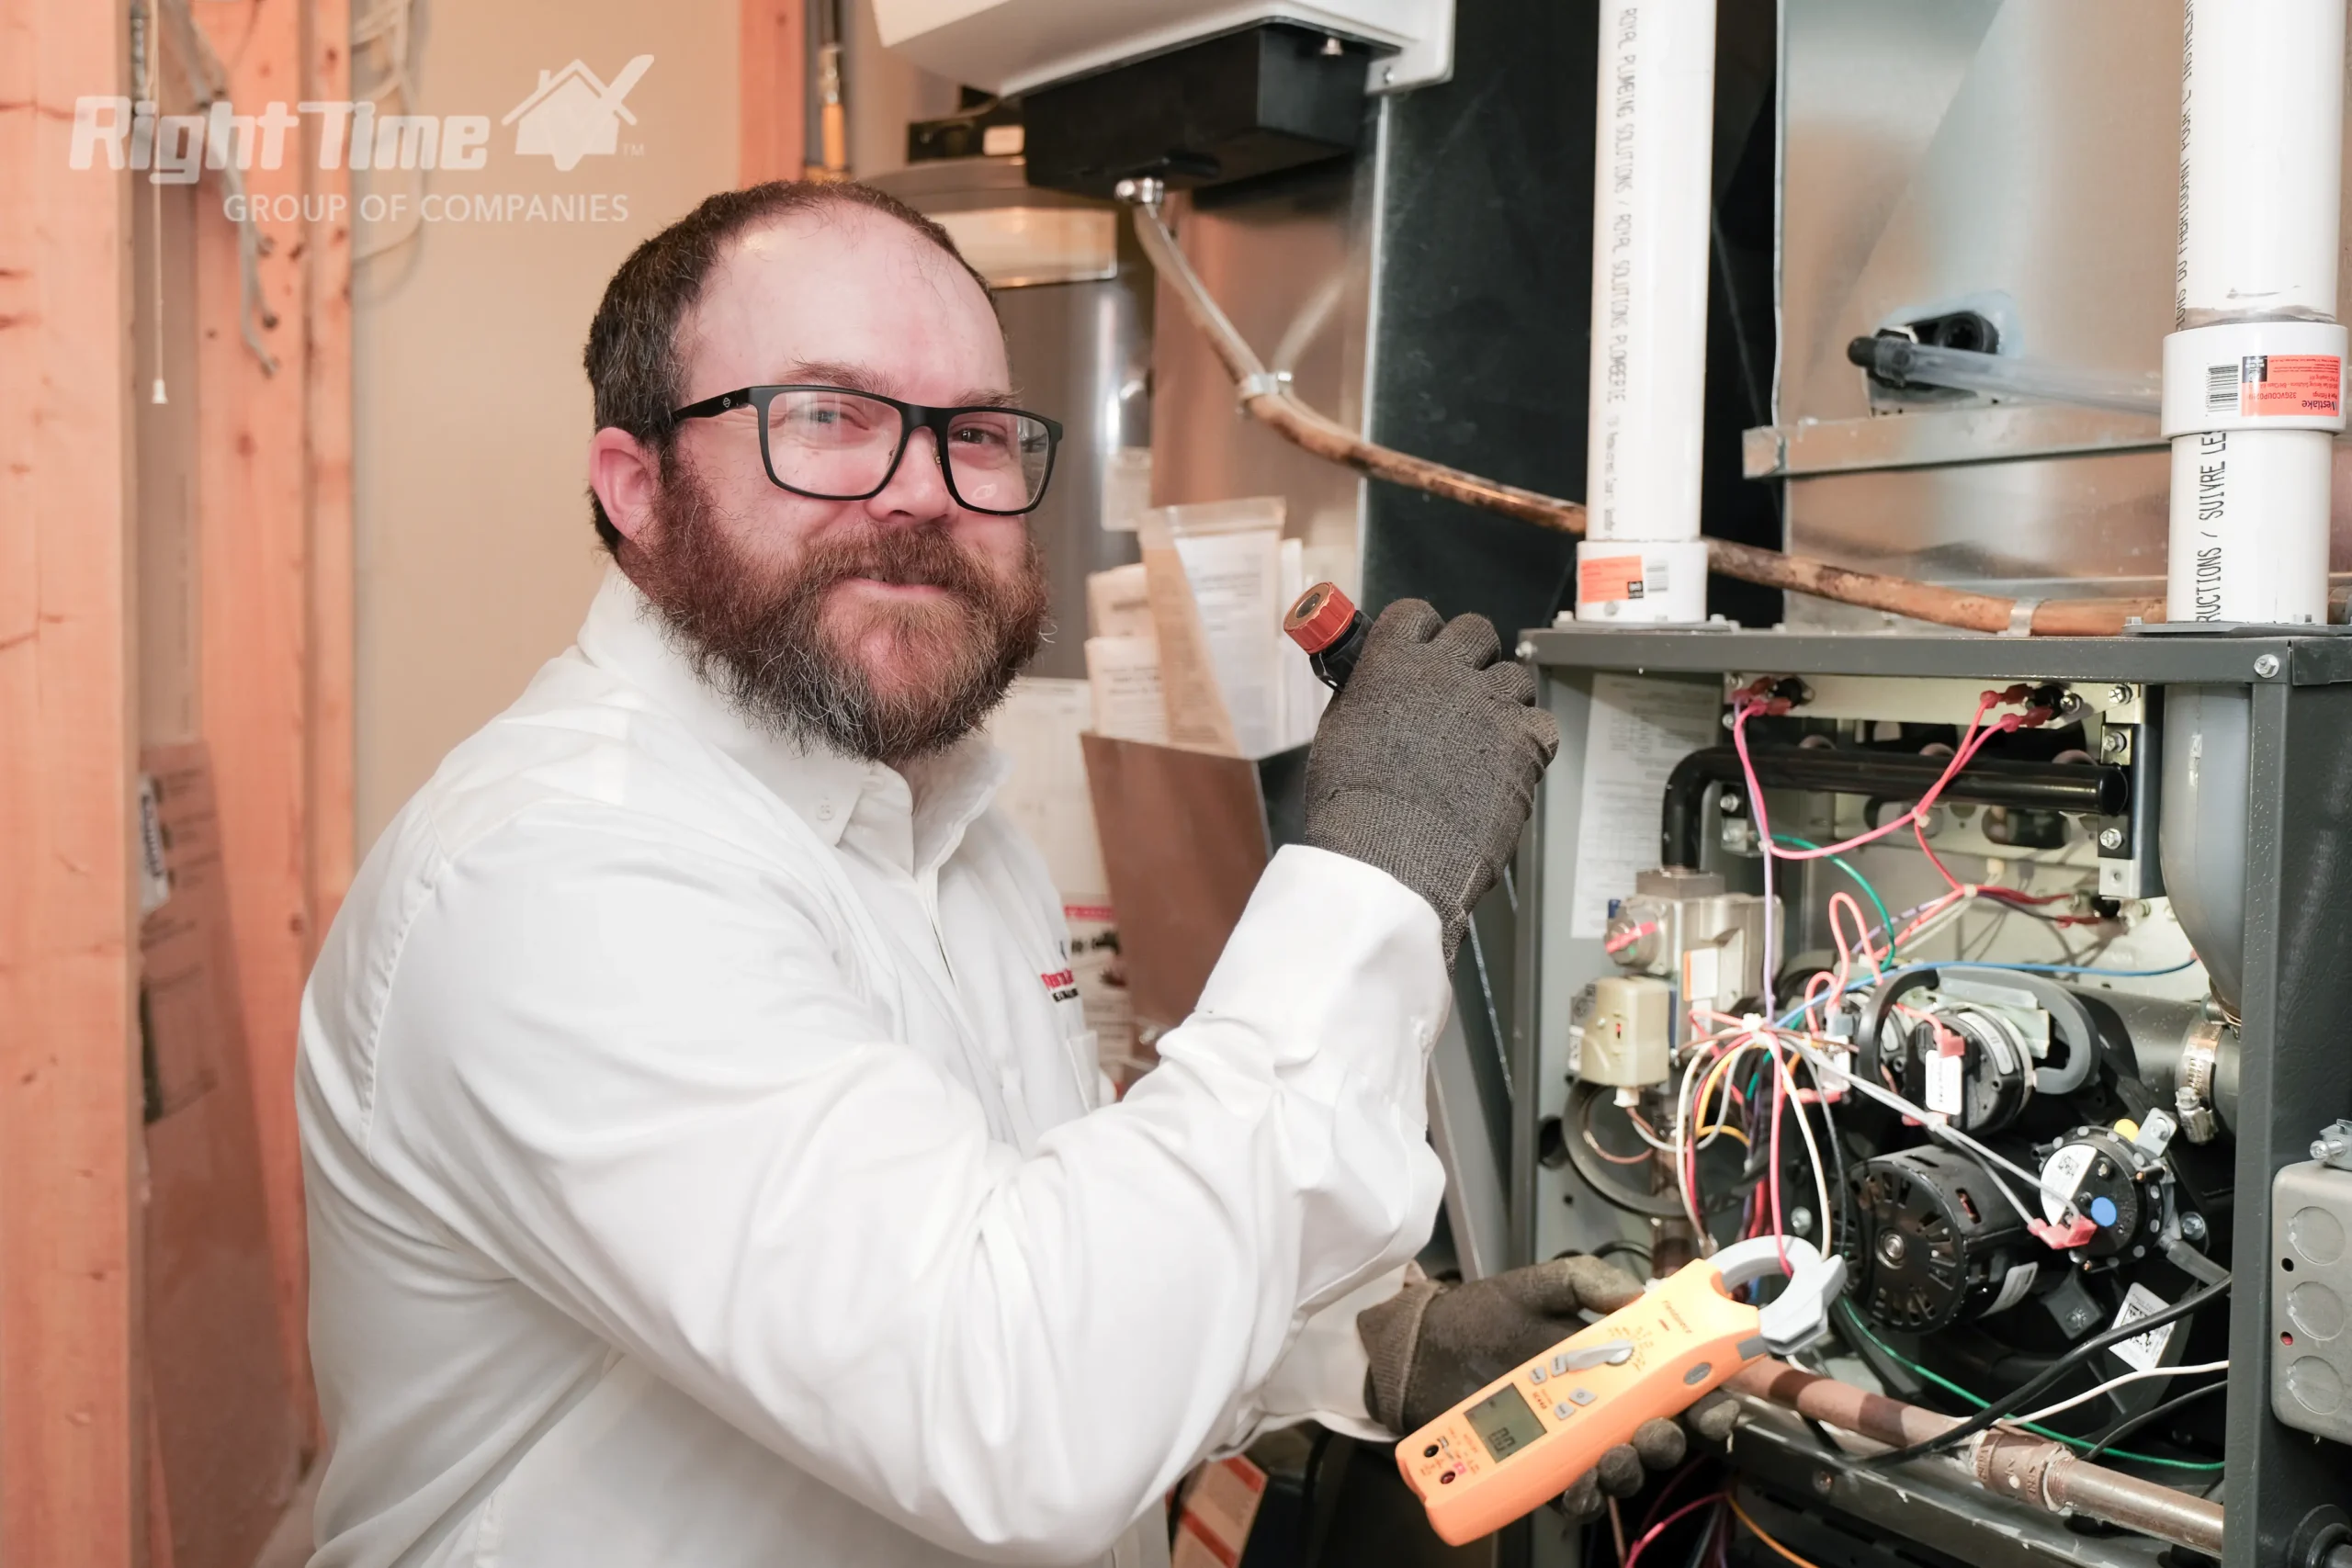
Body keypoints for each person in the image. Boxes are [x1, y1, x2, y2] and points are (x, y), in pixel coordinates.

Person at [297, 180, 1708, 1568]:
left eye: (972, 433)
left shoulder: (946, 821)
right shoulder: (557, 873)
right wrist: (1369, 869)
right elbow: (1015, 1408)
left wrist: (1364, 1349)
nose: (920, 490)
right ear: (637, 489)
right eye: (829, 419)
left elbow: (1035, 1254)